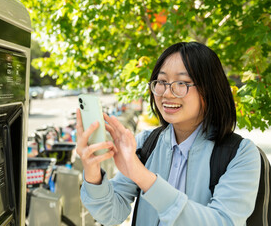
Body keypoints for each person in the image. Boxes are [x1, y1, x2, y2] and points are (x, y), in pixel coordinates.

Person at [75, 42, 260, 226]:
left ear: (208, 89)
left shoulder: (241, 154)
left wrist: (142, 176)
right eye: (162, 82)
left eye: (181, 83)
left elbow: (222, 222)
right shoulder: (146, 143)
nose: (167, 93)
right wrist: (93, 171)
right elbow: (111, 215)